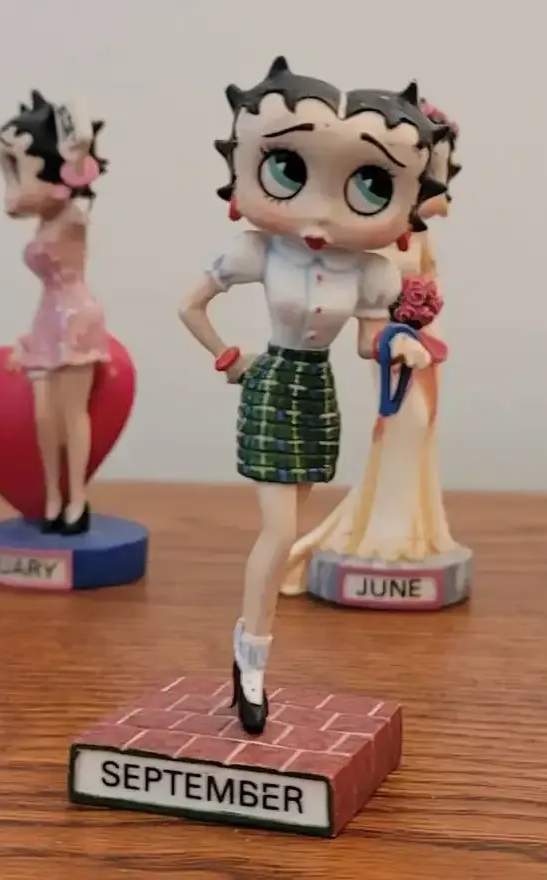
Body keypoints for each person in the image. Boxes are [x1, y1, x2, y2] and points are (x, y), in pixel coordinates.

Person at [178, 57, 448, 732]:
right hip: (272, 384)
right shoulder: (260, 253)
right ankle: (252, 656)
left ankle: (252, 647)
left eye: (368, 184)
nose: (322, 211)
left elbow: (367, 343)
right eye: (289, 170)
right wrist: (227, 358)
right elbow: (190, 306)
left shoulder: (371, 273)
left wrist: (400, 345)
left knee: (289, 525)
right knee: (280, 532)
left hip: (317, 392)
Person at [282, 102, 459, 590]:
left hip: (427, 338)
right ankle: (386, 530)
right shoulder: (379, 236)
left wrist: (427, 313)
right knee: (405, 422)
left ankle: (408, 528)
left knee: (421, 428)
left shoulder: (418, 236)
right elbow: (371, 300)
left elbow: (431, 271)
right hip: (392, 341)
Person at [0, 91, 109, 535]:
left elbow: (79, 167)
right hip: (47, 319)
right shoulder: (45, 222)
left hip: (76, 318)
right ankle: (52, 496)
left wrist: (76, 147)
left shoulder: (74, 218)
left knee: (71, 413)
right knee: (44, 417)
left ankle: (77, 497)